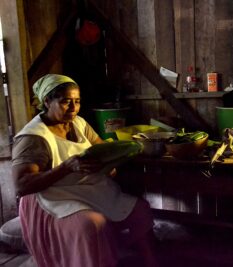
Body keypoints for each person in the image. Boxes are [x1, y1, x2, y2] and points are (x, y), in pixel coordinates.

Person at [11, 74, 159, 267]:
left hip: (86, 189)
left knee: (139, 210)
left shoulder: (79, 123)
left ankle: (151, 262)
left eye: (77, 101)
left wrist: (109, 163)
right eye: (65, 102)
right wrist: (66, 167)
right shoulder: (33, 138)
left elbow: (100, 150)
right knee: (92, 224)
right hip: (53, 198)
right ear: (47, 101)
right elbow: (22, 186)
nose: (73, 108)